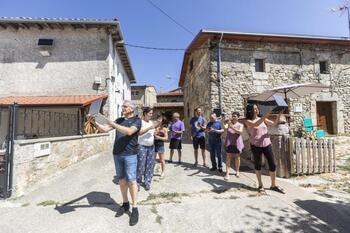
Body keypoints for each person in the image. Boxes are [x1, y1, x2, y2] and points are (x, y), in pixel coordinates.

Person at [92, 100, 141, 226]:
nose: (122, 108)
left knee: (131, 181)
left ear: (131, 109)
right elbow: (105, 129)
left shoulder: (137, 120)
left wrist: (113, 123)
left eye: (125, 106)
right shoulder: (119, 120)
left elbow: (129, 132)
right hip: (117, 154)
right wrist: (95, 122)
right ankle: (125, 204)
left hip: (130, 155)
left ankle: (135, 208)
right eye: (123, 106)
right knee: (122, 180)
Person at [244, 104, 285, 194]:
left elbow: (273, 124)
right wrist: (266, 115)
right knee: (258, 165)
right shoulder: (247, 121)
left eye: (257, 108)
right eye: (254, 109)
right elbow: (255, 124)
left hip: (267, 144)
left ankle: (273, 185)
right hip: (256, 145)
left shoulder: (263, 119)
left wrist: (278, 115)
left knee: (272, 164)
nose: (256, 110)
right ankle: (260, 185)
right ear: (250, 110)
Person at [137, 107, 160, 191]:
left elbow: (152, 133)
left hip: (151, 146)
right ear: (145, 113)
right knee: (141, 165)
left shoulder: (151, 122)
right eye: (149, 113)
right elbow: (138, 133)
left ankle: (147, 182)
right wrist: (149, 128)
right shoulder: (140, 122)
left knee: (150, 165)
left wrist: (155, 132)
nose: (151, 115)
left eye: (151, 113)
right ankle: (138, 182)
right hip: (141, 146)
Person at [224, 112, 244, 180]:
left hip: (237, 143)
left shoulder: (240, 125)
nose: (233, 117)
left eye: (235, 116)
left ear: (238, 117)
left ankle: (237, 171)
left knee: (237, 158)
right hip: (229, 143)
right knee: (228, 157)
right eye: (233, 116)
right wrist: (222, 121)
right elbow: (225, 128)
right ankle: (227, 173)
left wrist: (232, 127)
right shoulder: (229, 124)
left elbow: (240, 132)